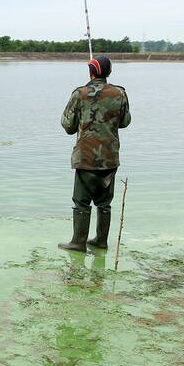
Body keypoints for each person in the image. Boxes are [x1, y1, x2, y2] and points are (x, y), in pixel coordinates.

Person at [58, 55, 131, 251]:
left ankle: (78, 242)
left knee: (81, 201)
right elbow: (125, 122)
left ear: (91, 72)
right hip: (109, 157)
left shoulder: (79, 94)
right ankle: (101, 240)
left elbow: (67, 125)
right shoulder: (120, 93)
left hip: (86, 157)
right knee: (104, 202)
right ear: (109, 72)